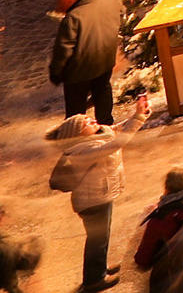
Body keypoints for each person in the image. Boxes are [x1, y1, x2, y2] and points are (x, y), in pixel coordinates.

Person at [47, 111, 119, 292]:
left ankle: (99, 269)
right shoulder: (85, 151)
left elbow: (115, 134)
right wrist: (136, 119)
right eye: (86, 123)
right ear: (77, 136)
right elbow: (117, 143)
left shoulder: (90, 143)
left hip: (97, 197)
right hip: (92, 202)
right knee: (97, 239)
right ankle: (94, 280)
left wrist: (139, 115)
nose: (94, 120)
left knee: (101, 237)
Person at [51, 0, 119, 127]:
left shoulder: (73, 17)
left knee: (76, 105)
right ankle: (106, 126)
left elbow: (64, 48)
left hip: (80, 70)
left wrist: (56, 71)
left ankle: (76, 134)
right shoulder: (113, 1)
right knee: (102, 90)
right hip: (105, 59)